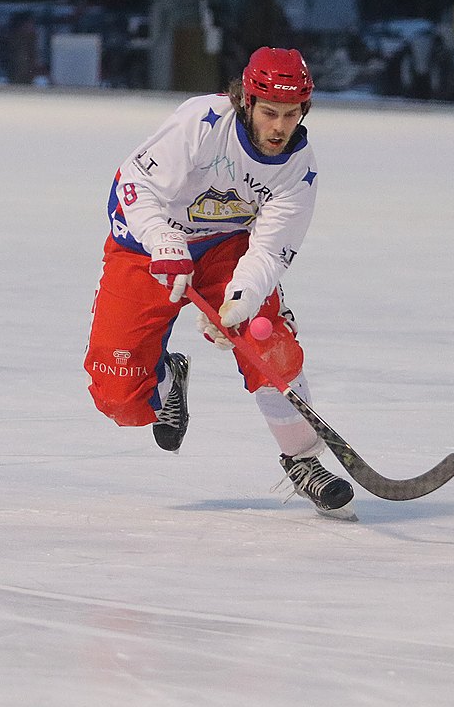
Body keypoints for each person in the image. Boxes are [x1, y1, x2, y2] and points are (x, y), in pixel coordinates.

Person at [84, 46, 355, 518]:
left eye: (291, 115)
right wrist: (163, 239)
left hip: (224, 246)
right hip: (143, 245)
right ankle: (166, 379)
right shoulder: (203, 121)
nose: (279, 127)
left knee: (265, 342)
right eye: (269, 112)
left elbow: (270, 250)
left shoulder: (299, 169)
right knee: (119, 399)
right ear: (246, 101)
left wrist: (242, 301)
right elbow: (134, 184)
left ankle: (303, 460)